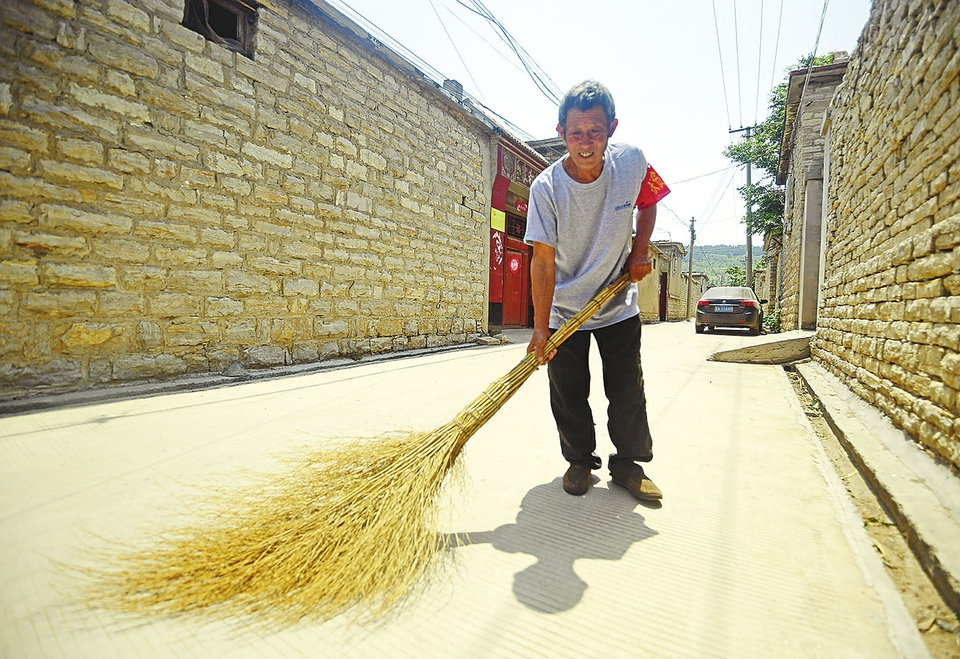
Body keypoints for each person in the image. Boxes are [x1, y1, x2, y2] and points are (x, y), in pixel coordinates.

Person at [524, 80, 669, 500]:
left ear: (612, 129)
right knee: (568, 393)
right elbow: (543, 261)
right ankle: (579, 462)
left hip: (615, 302)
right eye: (575, 133)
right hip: (564, 310)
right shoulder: (545, 189)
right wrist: (539, 327)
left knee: (626, 388)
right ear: (560, 133)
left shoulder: (633, 161)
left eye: (595, 132)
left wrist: (640, 250)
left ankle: (628, 465)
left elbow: (651, 198)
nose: (585, 143)